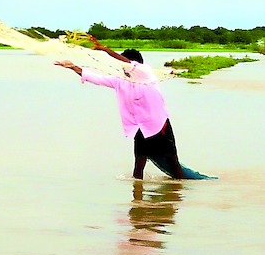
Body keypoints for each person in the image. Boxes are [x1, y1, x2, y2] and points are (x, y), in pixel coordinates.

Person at [54, 36, 184, 180]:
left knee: (173, 161)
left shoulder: (145, 73)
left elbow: (127, 63)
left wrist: (105, 50)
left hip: (159, 125)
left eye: (123, 64)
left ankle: (178, 195)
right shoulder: (120, 82)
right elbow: (94, 78)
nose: (122, 68)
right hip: (139, 127)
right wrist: (72, 66)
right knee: (138, 165)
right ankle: (137, 201)